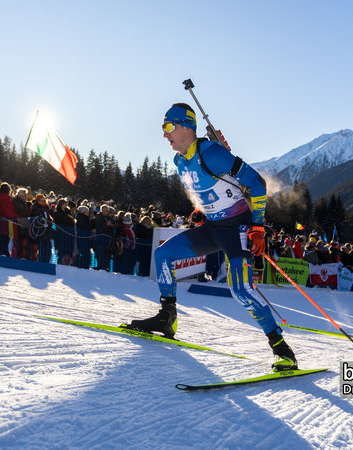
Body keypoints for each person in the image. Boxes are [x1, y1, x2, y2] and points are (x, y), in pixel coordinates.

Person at [124, 103, 297, 371]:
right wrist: (201, 211)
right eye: (163, 128)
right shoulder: (179, 161)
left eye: (168, 127)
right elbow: (206, 190)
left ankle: (282, 349)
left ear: (186, 127)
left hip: (237, 229)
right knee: (163, 254)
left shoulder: (212, 153)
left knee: (241, 289)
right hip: (213, 228)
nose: (165, 134)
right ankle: (166, 317)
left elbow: (257, 184)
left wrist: (257, 226)